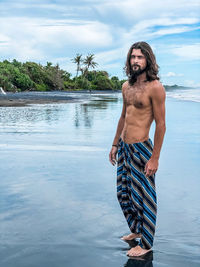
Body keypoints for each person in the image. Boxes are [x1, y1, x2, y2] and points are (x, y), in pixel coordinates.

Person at [109, 41, 166, 257]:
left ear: (148, 60)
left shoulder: (156, 88)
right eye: (133, 57)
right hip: (124, 147)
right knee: (123, 193)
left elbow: (161, 124)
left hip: (142, 148)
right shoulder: (126, 86)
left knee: (145, 197)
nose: (135, 61)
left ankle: (147, 242)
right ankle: (135, 230)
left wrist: (155, 158)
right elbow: (123, 117)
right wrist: (115, 144)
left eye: (140, 57)